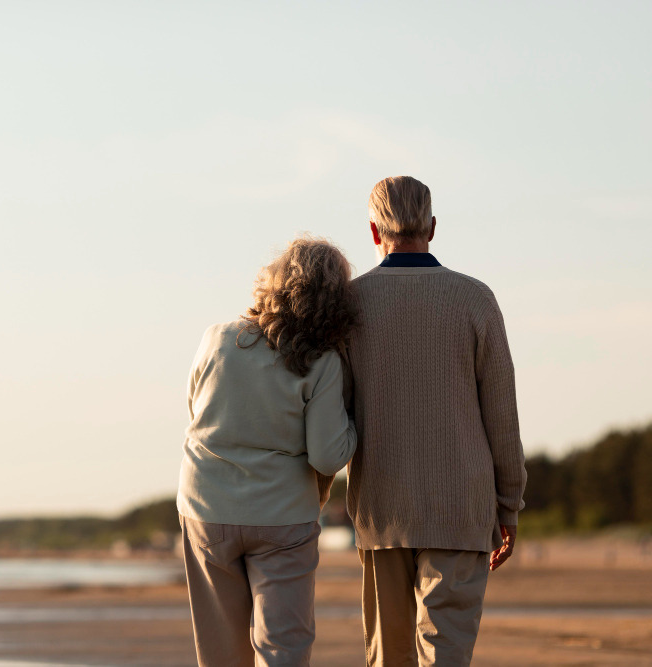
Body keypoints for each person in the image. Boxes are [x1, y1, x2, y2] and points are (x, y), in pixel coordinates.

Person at [347, 176, 528, 666]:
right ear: (431, 226)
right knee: (446, 656)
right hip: (461, 507)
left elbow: (334, 415)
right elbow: (502, 417)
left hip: (382, 510)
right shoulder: (475, 299)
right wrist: (509, 505)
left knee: (389, 657)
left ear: (373, 230)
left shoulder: (350, 304)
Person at [177, 236, 358, 666]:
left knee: (220, 652)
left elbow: (195, 409)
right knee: (283, 649)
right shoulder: (322, 361)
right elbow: (327, 456)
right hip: (283, 516)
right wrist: (354, 427)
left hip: (207, 507)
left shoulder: (217, 338)